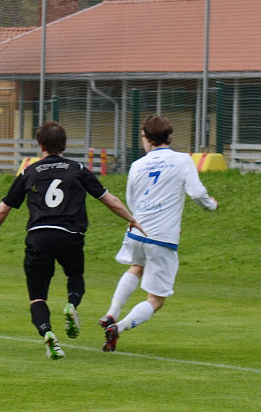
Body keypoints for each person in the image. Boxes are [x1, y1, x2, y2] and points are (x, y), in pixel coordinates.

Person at [0, 122, 144, 360]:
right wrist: (131, 218)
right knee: (75, 276)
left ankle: (48, 333)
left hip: (39, 236)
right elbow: (108, 199)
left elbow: (4, 207)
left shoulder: (30, 172)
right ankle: (71, 305)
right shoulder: (77, 169)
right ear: (64, 145)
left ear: (41, 145)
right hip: (70, 236)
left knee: (38, 296)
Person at [99, 115, 218, 352]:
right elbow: (196, 193)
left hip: (137, 231)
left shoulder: (137, 165)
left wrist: (139, 220)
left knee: (135, 266)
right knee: (156, 299)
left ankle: (112, 312)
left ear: (148, 138)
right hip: (162, 238)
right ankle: (118, 328)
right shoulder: (182, 160)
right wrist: (211, 205)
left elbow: (132, 200)